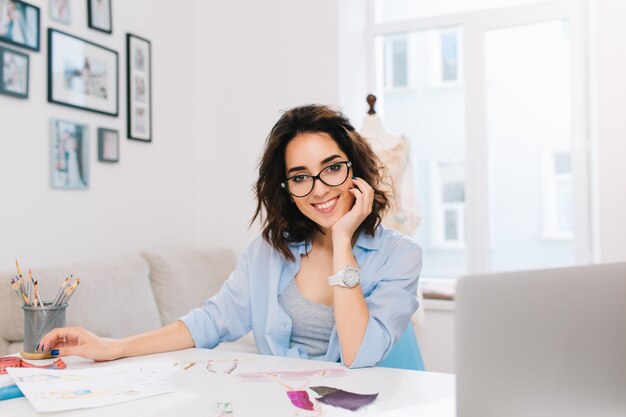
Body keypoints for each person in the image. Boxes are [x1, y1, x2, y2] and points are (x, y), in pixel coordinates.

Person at [38, 104, 422, 368]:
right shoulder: (268, 253)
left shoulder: (400, 256)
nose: (319, 189)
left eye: (332, 168)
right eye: (300, 177)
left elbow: (358, 354)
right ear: (286, 188)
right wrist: (114, 346)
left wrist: (342, 241)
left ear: (354, 169)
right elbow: (211, 321)